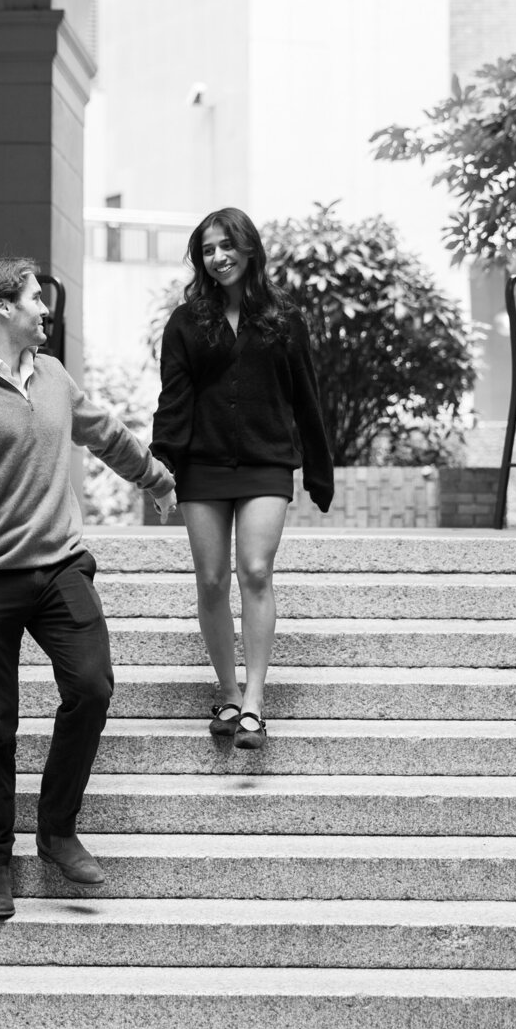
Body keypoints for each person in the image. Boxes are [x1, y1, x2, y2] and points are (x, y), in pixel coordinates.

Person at [0, 254, 177, 922]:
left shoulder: (52, 376)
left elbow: (102, 432)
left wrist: (154, 476)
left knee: (93, 687)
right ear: (1, 307)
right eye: (33, 297)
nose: (45, 307)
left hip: (61, 569)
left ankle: (56, 831)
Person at [151, 207, 333, 748]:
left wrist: (319, 470)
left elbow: (305, 396)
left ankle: (255, 699)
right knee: (211, 579)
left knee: (254, 570)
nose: (218, 257)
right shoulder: (186, 322)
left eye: (227, 246)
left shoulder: (285, 318)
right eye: (208, 250)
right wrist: (162, 469)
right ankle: (228, 693)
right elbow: (174, 400)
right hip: (202, 464)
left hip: (266, 461)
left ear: (249, 248)